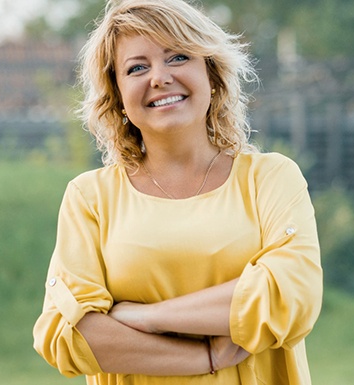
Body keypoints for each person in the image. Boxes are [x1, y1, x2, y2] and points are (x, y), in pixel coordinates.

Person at [32, 0, 323, 383]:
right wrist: (204, 357)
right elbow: (66, 334)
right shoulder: (90, 197)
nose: (159, 77)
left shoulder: (270, 178)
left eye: (178, 57)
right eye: (137, 67)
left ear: (211, 73)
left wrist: (145, 317)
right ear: (117, 95)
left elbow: (290, 296)